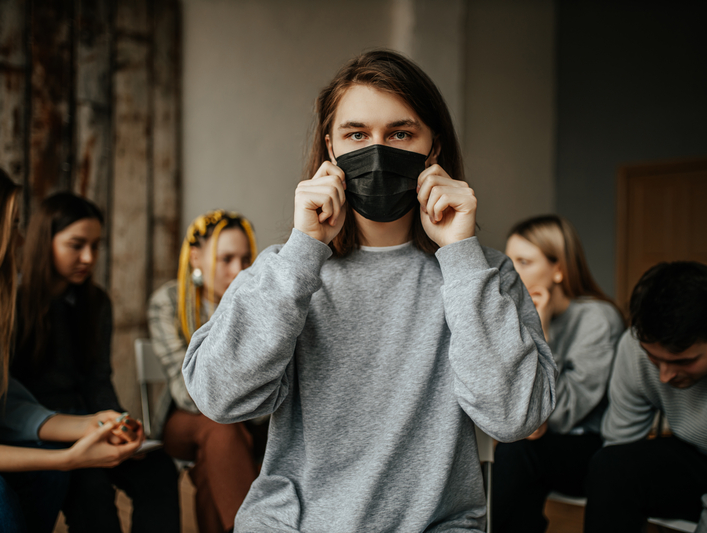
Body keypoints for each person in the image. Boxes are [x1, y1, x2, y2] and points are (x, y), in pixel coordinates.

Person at [182, 49, 557, 532]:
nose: (377, 152)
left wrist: (461, 256)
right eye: (357, 134)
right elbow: (219, 398)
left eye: (400, 134)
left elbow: (516, 418)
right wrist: (303, 252)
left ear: (433, 149)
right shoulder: (283, 270)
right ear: (331, 149)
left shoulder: (485, 275)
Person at [0, 163, 141, 533]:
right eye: (12, 226)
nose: (19, 240)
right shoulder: (19, 303)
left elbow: (1, 401)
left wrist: (95, 422)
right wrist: (68, 458)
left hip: (42, 421)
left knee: (52, 474)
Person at [11, 191, 180, 533]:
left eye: (95, 246)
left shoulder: (96, 303)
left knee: (157, 466)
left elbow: (98, 378)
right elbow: (10, 400)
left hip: (94, 421)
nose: (88, 257)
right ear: (45, 242)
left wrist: (121, 426)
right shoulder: (14, 304)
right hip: (41, 430)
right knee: (91, 485)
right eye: (76, 245)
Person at [585, 261, 707, 533]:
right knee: (611, 465)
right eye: (654, 358)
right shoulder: (633, 346)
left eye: (684, 361)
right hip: (701, 456)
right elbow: (620, 446)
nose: (665, 376)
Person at [491, 214, 625, 532]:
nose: (510, 272)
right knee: (512, 458)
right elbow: (514, 409)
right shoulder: (515, 316)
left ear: (559, 269)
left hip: (592, 448)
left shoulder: (598, 319)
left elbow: (560, 413)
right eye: (509, 261)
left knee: (517, 452)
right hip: (538, 441)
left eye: (524, 262)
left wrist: (542, 332)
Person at [148, 210, 263, 533]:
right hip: (187, 420)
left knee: (212, 464)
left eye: (245, 259)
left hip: (250, 423)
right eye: (226, 259)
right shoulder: (170, 301)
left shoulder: (257, 301)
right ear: (196, 258)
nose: (239, 270)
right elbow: (187, 393)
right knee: (220, 427)